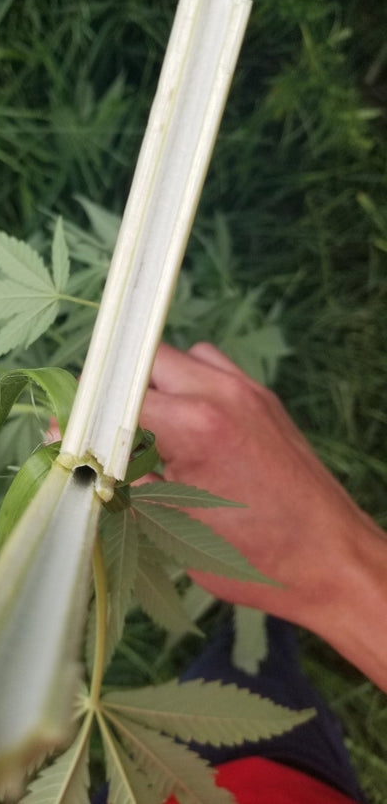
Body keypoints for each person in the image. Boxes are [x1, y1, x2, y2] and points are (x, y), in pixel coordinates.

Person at [137, 341, 386, 803]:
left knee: (237, 673)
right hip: (284, 777)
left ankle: (255, 626)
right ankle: (259, 628)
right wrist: (338, 567)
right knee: (252, 672)